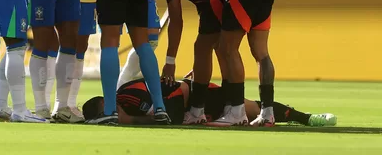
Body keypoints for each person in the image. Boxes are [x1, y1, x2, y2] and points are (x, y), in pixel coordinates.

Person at [147, 0, 229, 124]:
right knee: (220, 48)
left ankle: (197, 111)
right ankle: (234, 107)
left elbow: (176, 21)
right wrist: (201, 68)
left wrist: (170, 62)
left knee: (203, 48)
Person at [82, 78, 338, 127]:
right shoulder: (124, 98)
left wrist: (133, 120)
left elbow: (168, 109)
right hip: (189, 101)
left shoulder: (127, 98)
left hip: (196, 95)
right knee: (248, 116)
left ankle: (308, 118)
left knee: (252, 109)